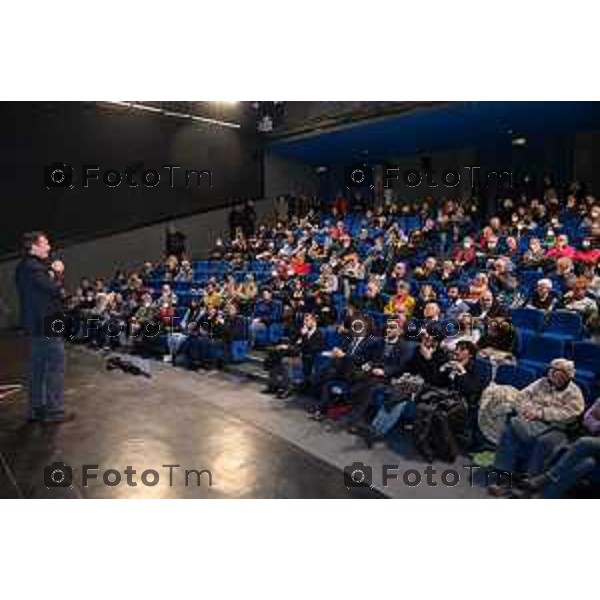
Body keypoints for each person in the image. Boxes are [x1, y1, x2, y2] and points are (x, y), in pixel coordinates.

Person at [489, 359, 585, 496]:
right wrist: (526, 409)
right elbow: (521, 396)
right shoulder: (541, 382)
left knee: (544, 441)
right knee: (510, 430)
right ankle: (505, 478)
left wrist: (541, 413)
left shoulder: (574, 392)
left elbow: (571, 414)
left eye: (558, 371)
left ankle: (528, 483)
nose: (552, 373)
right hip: (531, 421)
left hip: (557, 428)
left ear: (568, 375)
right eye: (551, 369)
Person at [15, 231, 71, 423]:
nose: (49, 247)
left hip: (38, 324)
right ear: (34, 246)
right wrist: (58, 273)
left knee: (38, 367)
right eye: (45, 243)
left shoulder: (26, 267)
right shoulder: (33, 268)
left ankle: (36, 408)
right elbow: (55, 290)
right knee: (56, 364)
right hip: (47, 323)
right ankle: (54, 411)